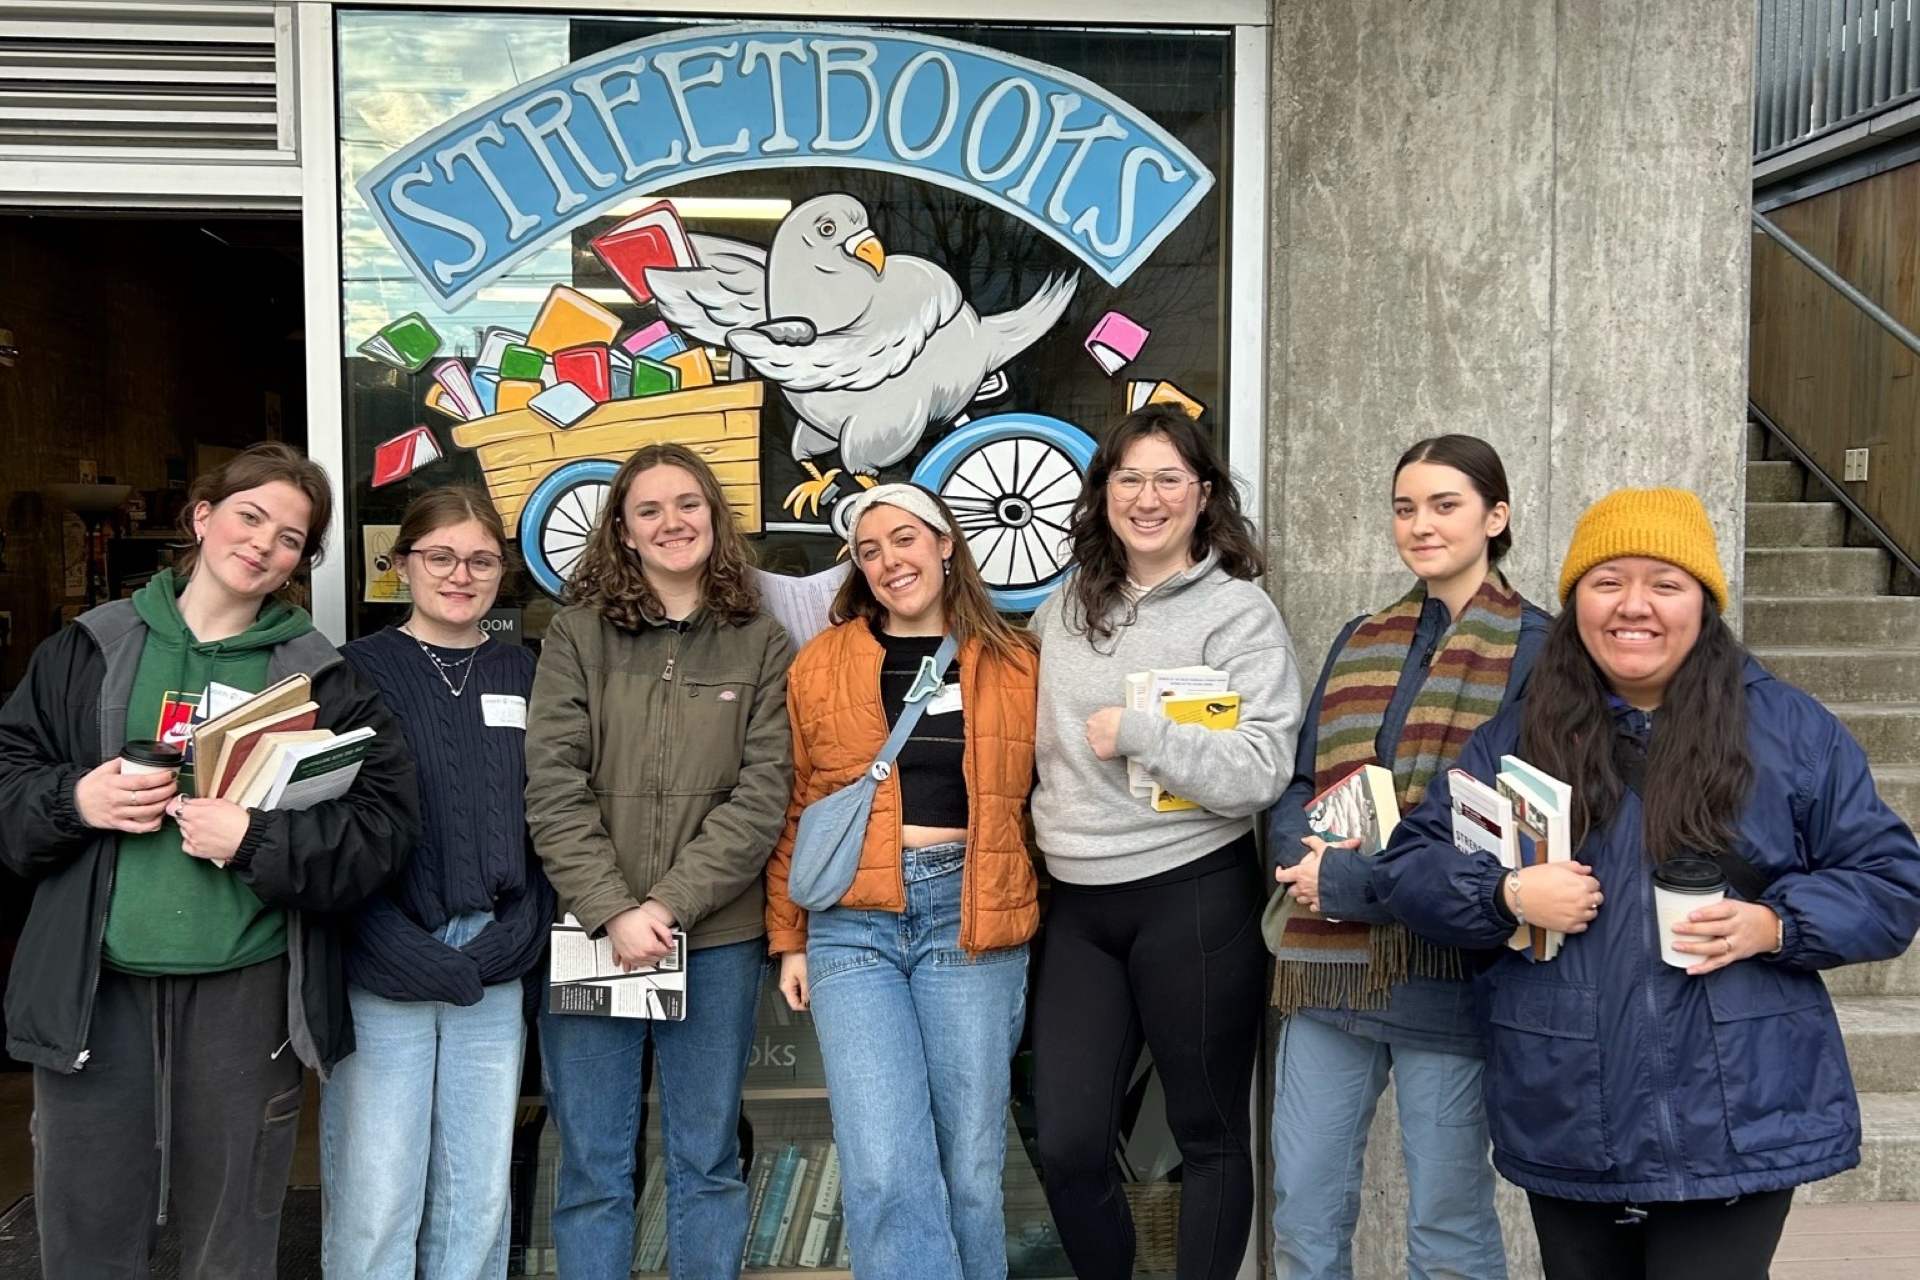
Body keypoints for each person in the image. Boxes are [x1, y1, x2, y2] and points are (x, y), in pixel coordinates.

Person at [1372, 487, 1920, 1280]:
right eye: (1607, 582)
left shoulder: (1792, 731)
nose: (1635, 607)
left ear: (1703, 601)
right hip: (1569, 1102)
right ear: (1574, 604)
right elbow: (1413, 865)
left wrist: (1776, 925)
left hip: (1737, 1108)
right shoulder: (1519, 736)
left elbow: (1889, 883)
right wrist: (1507, 897)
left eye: (1665, 584)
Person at [0, 442, 418, 1279]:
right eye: (250, 516)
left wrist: (255, 840)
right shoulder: (88, 650)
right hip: (97, 986)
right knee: (84, 1229)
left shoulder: (321, 681)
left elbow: (381, 831)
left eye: (292, 537)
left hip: (245, 987)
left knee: (234, 1234)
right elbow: (10, 782)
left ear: (303, 561)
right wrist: (76, 801)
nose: (264, 544)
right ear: (202, 516)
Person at [1029, 403, 1301, 1280]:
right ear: (1104, 490)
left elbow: (1263, 767)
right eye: (1130, 478)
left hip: (1192, 894)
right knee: (1069, 1142)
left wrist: (1146, 733)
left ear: (1204, 494)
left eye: (1169, 480)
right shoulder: (1063, 608)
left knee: (1207, 1135)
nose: (1148, 498)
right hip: (1074, 903)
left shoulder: (1238, 614)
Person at [1267, 435, 1549, 1279]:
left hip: (1451, 970)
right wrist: (1300, 859)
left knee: (1449, 1223)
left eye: (1444, 505)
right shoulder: (1363, 636)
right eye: (1405, 507)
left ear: (1495, 517)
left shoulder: (1540, 649)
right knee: (1304, 1210)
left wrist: (1352, 881)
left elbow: (1510, 827)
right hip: (1330, 967)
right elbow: (1303, 777)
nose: (1420, 525)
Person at [524, 442, 792, 1280]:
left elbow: (762, 796)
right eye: (649, 510)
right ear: (624, 533)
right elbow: (553, 781)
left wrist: (668, 906)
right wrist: (613, 908)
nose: (671, 522)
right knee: (594, 1166)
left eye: (688, 504)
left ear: (714, 518)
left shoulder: (761, 644)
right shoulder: (574, 635)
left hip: (712, 940)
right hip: (593, 933)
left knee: (705, 1159)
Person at [765, 484, 1040, 1280]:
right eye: (870, 550)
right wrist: (789, 939)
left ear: (946, 544)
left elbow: (1048, 800)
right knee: (883, 1165)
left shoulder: (1017, 660)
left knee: (970, 1173)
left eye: (905, 540)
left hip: (971, 917)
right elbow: (800, 805)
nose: (890, 561)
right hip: (853, 921)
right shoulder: (824, 662)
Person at [323, 487, 554, 1279]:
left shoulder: (524, 670)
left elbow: (548, 816)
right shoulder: (354, 671)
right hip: (383, 956)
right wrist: (386, 940)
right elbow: (328, 826)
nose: (462, 574)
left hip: (495, 957)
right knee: (378, 1191)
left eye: (481, 560)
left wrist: (521, 931)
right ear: (401, 566)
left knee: (477, 1191)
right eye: (441, 557)